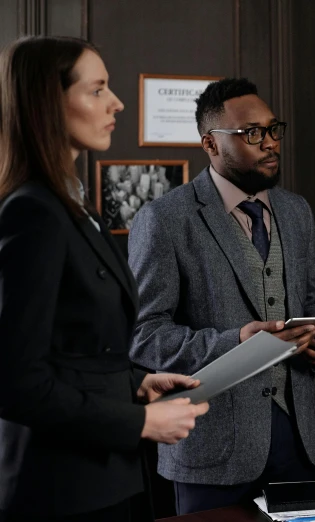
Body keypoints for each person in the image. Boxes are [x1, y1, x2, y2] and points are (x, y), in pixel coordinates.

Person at [0, 36, 209, 522]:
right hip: (61, 492)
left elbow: (73, 349)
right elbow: (15, 383)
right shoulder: (33, 212)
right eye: (97, 90)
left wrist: (136, 383)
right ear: (48, 103)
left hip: (103, 479)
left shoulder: (70, 203)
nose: (115, 103)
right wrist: (139, 419)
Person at [128, 77, 315, 514]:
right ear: (210, 143)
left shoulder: (296, 210)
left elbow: (314, 301)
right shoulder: (164, 220)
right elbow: (145, 336)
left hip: (300, 444)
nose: (269, 143)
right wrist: (235, 342)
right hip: (211, 452)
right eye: (251, 133)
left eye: (272, 129)